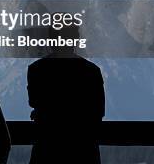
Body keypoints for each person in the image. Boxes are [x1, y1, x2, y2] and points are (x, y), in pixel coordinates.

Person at [27, 24, 105, 164]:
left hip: (47, 148)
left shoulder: (36, 69)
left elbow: (34, 101)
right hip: (83, 150)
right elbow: (98, 112)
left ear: (51, 39)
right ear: (75, 39)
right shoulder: (92, 71)